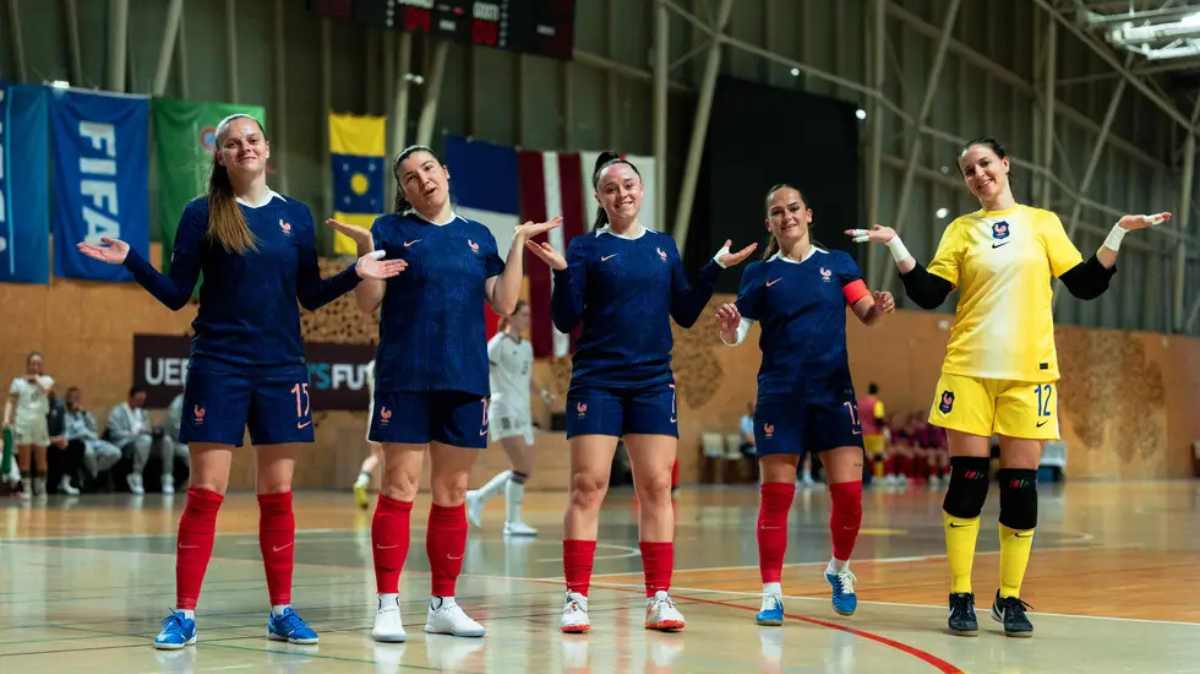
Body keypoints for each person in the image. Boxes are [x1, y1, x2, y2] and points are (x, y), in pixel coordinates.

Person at [77, 113, 404, 650]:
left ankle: (281, 611)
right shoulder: (200, 213)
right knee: (206, 492)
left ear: (266, 147)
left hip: (281, 368)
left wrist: (356, 272)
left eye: (251, 139)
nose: (244, 147)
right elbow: (177, 293)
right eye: (233, 143)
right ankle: (183, 613)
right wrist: (132, 260)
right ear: (221, 156)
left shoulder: (295, 217)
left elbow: (310, 295)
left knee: (276, 494)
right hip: (219, 365)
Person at [847, 136, 1171, 638]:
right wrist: (895, 243)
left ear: (1005, 164)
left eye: (984, 164)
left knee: (1021, 489)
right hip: (968, 371)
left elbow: (1085, 283)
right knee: (968, 483)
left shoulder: (1043, 224)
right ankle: (960, 594)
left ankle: (1010, 598)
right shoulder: (961, 230)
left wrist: (1117, 233)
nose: (977, 174)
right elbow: (930, 294)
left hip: (1030, 375)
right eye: (967, 170)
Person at [526, 151, 757, 634]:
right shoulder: (586, 248)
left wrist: (714, 267)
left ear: (641, 189)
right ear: (599, 197)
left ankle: (659, 599)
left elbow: (686, 312)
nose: (622, 193)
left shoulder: (663, 247)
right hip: (597, 380)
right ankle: (576, 599)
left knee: (656, 487)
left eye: (628, 185)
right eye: (611, 188)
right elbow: (565, 320)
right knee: (588, 486)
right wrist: (563, 272)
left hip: (653, 382)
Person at [345, 144, 559, 643]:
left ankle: (443, 603)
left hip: (464, 379)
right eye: (409, 177)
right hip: (405, 376)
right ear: (403, 191)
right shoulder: (389, 230)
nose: (422, 180)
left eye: (427, 169)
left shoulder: (476, 236)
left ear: (444, 172)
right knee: (398, 488)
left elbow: (505, 301)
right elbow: (366, 304)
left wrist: (517, 247)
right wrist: (362, 259)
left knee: (453, 493)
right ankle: (388, 606)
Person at [715, 184, 894, 626]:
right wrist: (728, 329)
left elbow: (865, 311)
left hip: (835, 396)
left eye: (793, 208)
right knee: (776, 500)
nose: (787, 216)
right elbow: (738, 335)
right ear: (769, 223)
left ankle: (839, 569)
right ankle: (771, 593)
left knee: (850, 500)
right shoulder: (758, 275)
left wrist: (880, 308)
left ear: (808, 214)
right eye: (777, 212)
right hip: (780, 397)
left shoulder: (839, 264)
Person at [465, 300, 555, 536]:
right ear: (510, 316)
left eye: (528, 314)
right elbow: (480, 373)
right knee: (522, 467)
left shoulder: (526, 346)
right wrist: (478, 404)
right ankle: (511, 521)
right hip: (503, 409)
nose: (527, 319)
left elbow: (527, 377)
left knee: (525, 469)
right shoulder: (497, 345)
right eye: (523, 315)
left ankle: (478, 497)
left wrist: (543, 394)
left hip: (523, 412)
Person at [4, 352, 54, 501]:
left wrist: (36, 378)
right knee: (24, 456)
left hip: (39, 422)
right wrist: (6, 418)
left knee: (41, 456)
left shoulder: (46, 380)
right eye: (32, 364)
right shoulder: (18, 382)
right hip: (23, 422)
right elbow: (11, 400)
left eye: (38, 364)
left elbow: (46, 390)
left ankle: (41, 487)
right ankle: (26, 488)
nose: (35, 367)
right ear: (27, 365)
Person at [63, 387, 122, 487]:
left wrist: (85, 413)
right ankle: (93, 477)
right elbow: (66, 434)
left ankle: (93, 473)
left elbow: (94, 430)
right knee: (89, 453)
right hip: (77, 442)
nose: (74, 400)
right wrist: (83, 433)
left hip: (91, 440)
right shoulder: (64, 414)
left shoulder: (84, 413)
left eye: (77, 398)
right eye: (72, 398)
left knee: (115, 453)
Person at [106, 387, 155, 495]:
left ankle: (138, 473)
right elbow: (115, 433)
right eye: (139, 400)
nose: (141, 402)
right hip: (122, 442)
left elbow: (147, 428)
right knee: (142, 442)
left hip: (140, 442)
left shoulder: (143, 413)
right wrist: (134, 434)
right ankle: (135, 474)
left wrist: (145, 431)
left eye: (143, 400)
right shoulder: (118, 411)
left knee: (147, 440)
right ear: (131, 397)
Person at [352, 360, 383, 510]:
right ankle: (390, 494)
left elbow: (371, 393)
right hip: (390, 413)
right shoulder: (393, 361)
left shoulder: (371, 366)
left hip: (374, 414)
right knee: (394, 458)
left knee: (375, 456)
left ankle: (361, 481)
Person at [858, 383, 887, 482]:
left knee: (864, 455)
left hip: (862, 432)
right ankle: (878, 477)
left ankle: (863, 476)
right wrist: (884, 427)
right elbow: (878, 418)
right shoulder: (877, 403)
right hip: (875, 433)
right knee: (878, 455)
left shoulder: (860, 403)